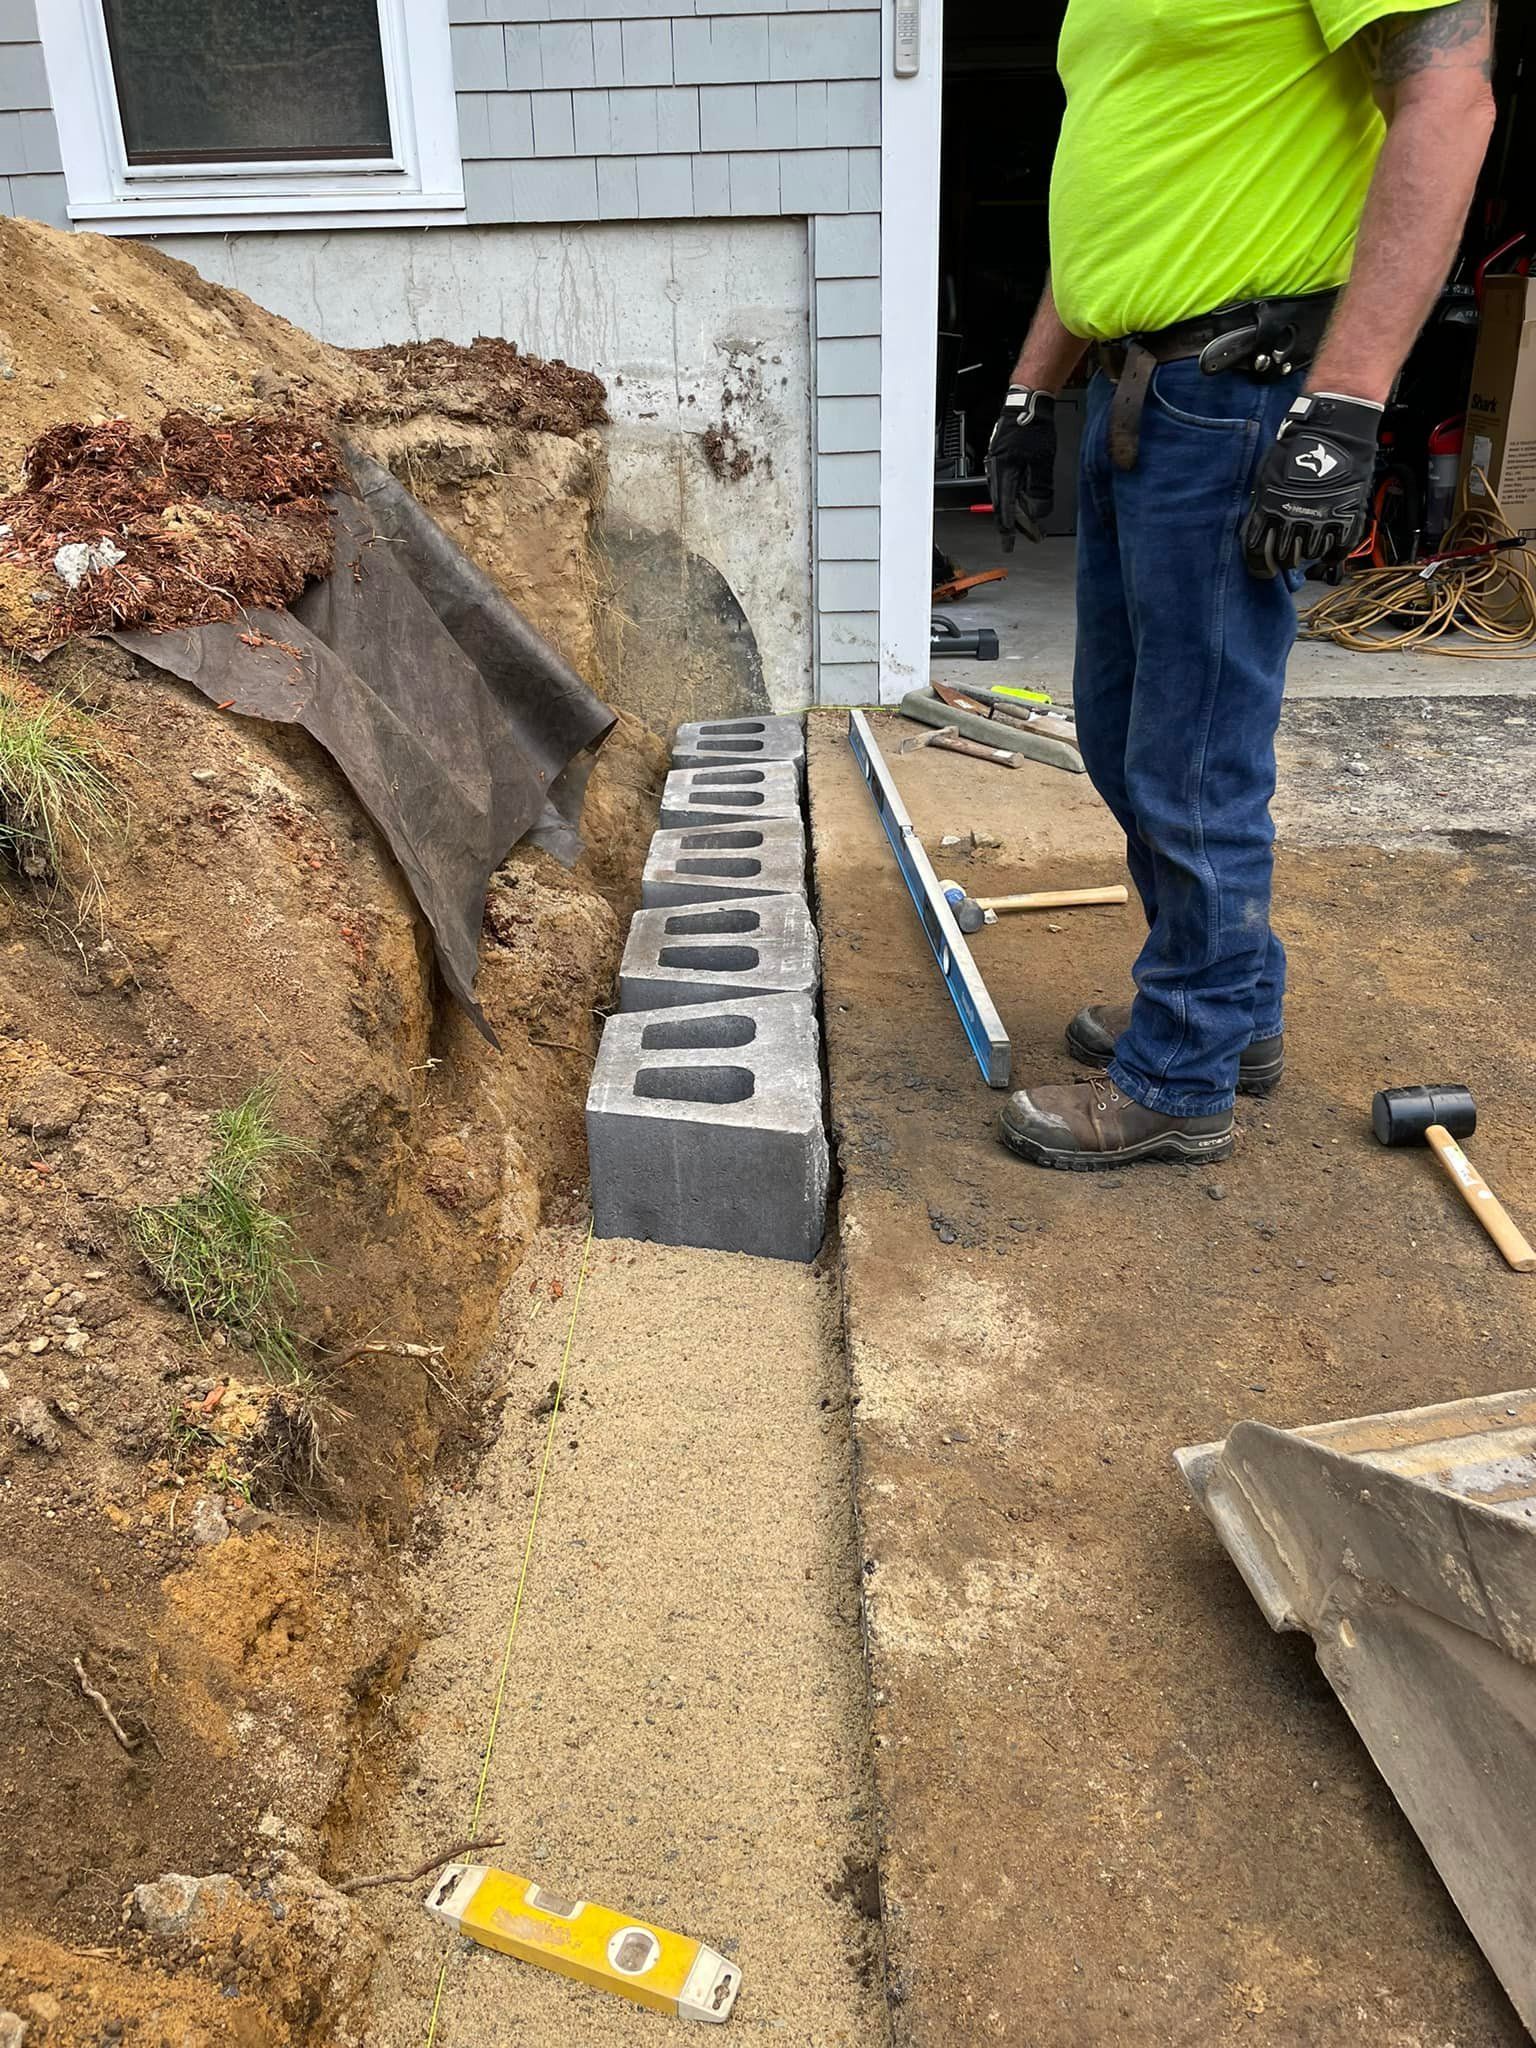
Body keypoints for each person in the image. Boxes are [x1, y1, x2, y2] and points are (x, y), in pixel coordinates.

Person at [985, 0, 1496, 1171]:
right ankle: (1231, 1009)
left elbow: (1450, 98)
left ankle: (1180, 1074)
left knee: (1195, 753)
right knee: (1121, 735)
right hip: (1142, 390)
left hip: (1238, 390)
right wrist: (1032, 385)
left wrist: (1346, 403)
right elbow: (1125, 189)